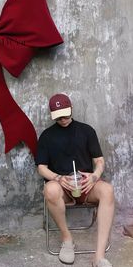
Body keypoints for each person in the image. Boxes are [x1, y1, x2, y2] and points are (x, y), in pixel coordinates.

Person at [36, 93, 115, 267]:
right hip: (62, 188)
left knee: (107, 190)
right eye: (59, 116)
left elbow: (99, 161)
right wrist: (58, 178)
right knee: (49, 190)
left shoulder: (86, 130)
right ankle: (67, 239)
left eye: (66, 113)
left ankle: (99, 257)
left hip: (86, 185)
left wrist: (94, 177)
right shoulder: (47, 136)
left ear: (71, 108)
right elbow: (41, 167)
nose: (63, 119)